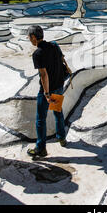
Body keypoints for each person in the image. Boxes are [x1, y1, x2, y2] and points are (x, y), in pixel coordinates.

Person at [27, 25, 69, 158]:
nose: (29, 39)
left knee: (41, 119)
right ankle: (61, 138)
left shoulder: (38, 54)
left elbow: (43, 75)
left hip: (48, 90)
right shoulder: (54, 45)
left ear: (34, 37)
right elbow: (61, 59)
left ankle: (41, 148)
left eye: (29, 37)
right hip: (59, 85)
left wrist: (46, 93)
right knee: (57, 112)